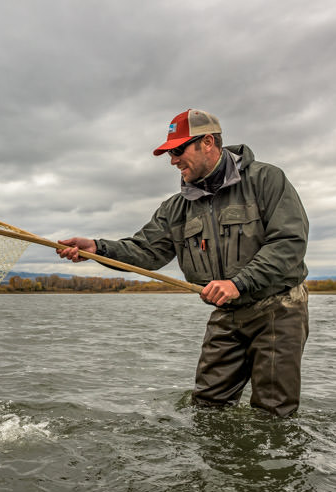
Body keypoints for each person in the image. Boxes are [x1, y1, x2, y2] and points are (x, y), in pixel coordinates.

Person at [57, 109, 309, 417]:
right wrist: (96, 247)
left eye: (178, 150)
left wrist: (237, 283)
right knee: (206, 408)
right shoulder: (175, 208)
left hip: (277, 309)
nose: (173, 160)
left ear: (207, 143)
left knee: (273, 413)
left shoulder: (267, 180)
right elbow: (144, 251)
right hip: (227, 314)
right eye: (169, 154)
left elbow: (289, 243)